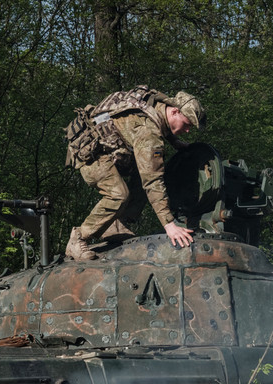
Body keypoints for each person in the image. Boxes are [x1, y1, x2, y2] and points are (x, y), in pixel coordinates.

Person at [64, 86, 206, 261]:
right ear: (175, 111)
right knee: (118, 195)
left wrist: (175, 141)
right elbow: (152, 181)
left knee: (151, 165)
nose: (187, 130)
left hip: (107, 145)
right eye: (187, 124)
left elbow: (159, 122)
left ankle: (117, 223)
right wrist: (169, 225)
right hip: (91, 154)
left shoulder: (159, 104)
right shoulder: (149, 133)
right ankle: (78, 238)